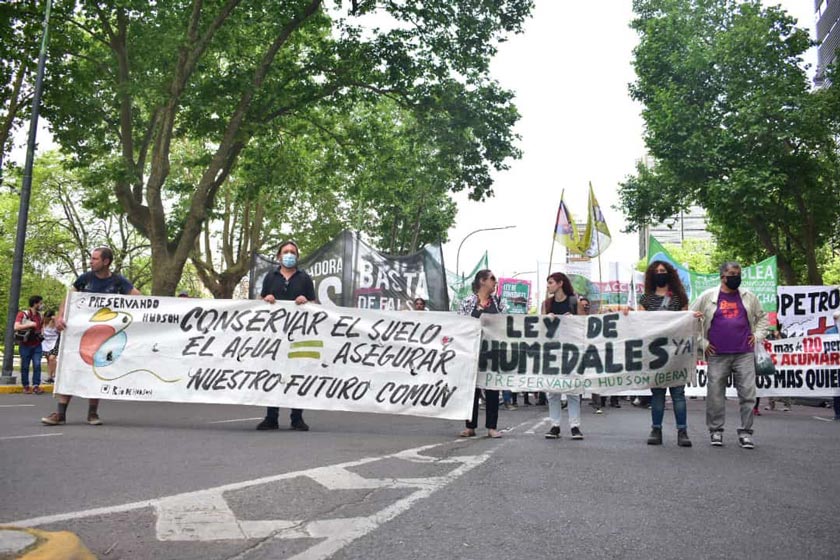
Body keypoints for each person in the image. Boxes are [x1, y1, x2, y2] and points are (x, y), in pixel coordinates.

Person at [42, 247, 141, 425]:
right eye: (91, 258)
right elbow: (69, 296)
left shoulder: (118, 282)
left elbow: (139, 298)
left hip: (104, 335)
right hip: (78, 334)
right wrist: (60, 315)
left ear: (106, 262)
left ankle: (93, 414)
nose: (91, 261)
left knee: (96, 370)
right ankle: (60, 413)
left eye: (95, 259)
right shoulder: (85, 279)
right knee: (70, 369)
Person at [691, 261, 769, 449]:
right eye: (732, 274)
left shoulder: (748, 296)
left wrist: (757, 336)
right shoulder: (707, 296)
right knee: (715, 394)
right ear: (722, 276)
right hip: (717, 354)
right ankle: (716, 431)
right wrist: (702, 342)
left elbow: (763, 318)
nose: (736, 277)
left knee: (748, 394)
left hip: (744, 353)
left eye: (738, 273)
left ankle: (746, 432)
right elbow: (691, 319)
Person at [256, 241, 316, 432]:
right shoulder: (270, 277)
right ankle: (271, 417)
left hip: (297, 335)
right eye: (286, 252)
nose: (289, 254)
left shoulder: (305, 278)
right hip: (274, 335)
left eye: (293, 252)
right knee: (273, 373)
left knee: (296, 374)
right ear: (279, 256)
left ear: (297, 257)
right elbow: (260, 302)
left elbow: (314, 304)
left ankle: (297, 417)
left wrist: (306, 301)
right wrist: (266, 300)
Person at [637, 261, 692, 447]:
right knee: (657, 394)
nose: (660, 274)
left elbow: (685, 323)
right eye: (657, 271)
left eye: (663, 271)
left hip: (676, 351)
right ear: (652, 275)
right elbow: (641, 324)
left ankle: (682, 431)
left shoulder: (679, 298)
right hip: (655, 352)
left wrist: (693, 317)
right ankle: (656, 429)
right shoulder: (645, 299)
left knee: (678, 393)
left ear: (670, 274)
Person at [458, 269, 505, 438]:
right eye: (492, 278)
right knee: (472, 389)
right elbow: (461, 323)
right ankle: (470, 426)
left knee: (492, 388)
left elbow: (507, 323)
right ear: (482, 281)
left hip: (492, 351)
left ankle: (492, 427)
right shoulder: (467, 301)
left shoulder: (498, 302)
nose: (495, 281)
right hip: (472, 350)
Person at [541, 273, 583, 440]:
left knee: (573, 390)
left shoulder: (574, 302)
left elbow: (584, 325)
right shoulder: (547, 304)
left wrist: (573, 320)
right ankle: (555, 425)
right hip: (552, 352)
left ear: (560, 283)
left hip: (571, 351)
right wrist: (546, 319)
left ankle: (575, 426)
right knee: (553, 390)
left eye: (550, 282)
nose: (548, 286)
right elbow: (540, 329)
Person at [14, 295, 45, 394]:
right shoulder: (23, 314)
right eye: (40, 303)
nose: (41, 305)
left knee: (37, 365)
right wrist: (30, 324)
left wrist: (42, 333)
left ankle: (36, 385)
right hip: (25, 344)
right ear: (35, 303)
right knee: (25, 366)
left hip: (36, 344)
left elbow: (41, 327)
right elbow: (16, 326)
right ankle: (26, 386)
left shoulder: (40, 315)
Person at [41, 311, 60, 384]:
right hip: (46, 343)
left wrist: (54, 318)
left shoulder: (54, 323)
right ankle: (50, 377)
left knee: (52, 358)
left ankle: (55, 375)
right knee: (49, 360)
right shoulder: (43, 323)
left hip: (55, 342)